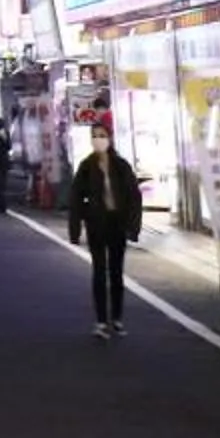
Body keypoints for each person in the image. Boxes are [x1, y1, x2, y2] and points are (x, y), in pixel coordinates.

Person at [69, 120, 142, 337]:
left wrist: (133, 226)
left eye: (102, 135)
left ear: (109, 138)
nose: (98, 139)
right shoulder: (86, 166)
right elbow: (75, 198)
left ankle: (117, 318)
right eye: (95, 136)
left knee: (117, 273)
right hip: (96, 224)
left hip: (116, 224)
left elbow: (133, 197)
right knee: (99, 271)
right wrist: (76, 228)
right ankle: (101, 321)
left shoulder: (121, 165)